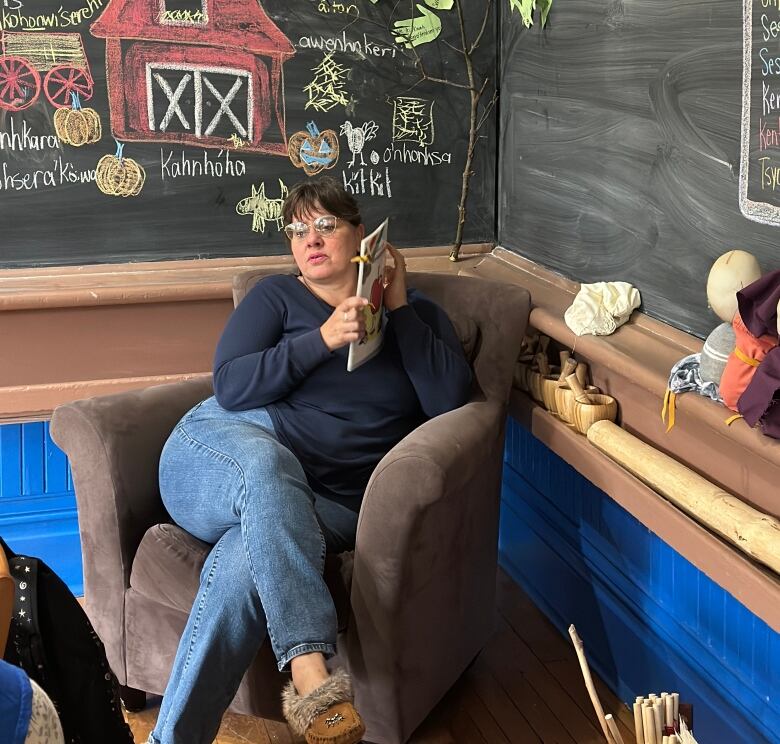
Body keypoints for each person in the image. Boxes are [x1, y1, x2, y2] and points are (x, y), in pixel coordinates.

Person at [148, 176, 473, 744]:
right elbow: (229, 386)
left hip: (330, 500)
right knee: (268, 470)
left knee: (246, 562)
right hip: (220, 451)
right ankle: (310, 671)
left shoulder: (416, 317)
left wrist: (397, 309)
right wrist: (321, 339)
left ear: (363, 239)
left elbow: (450, 403)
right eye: (298, 229)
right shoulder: (277, 297)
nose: (310, 239)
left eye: (325, 225)